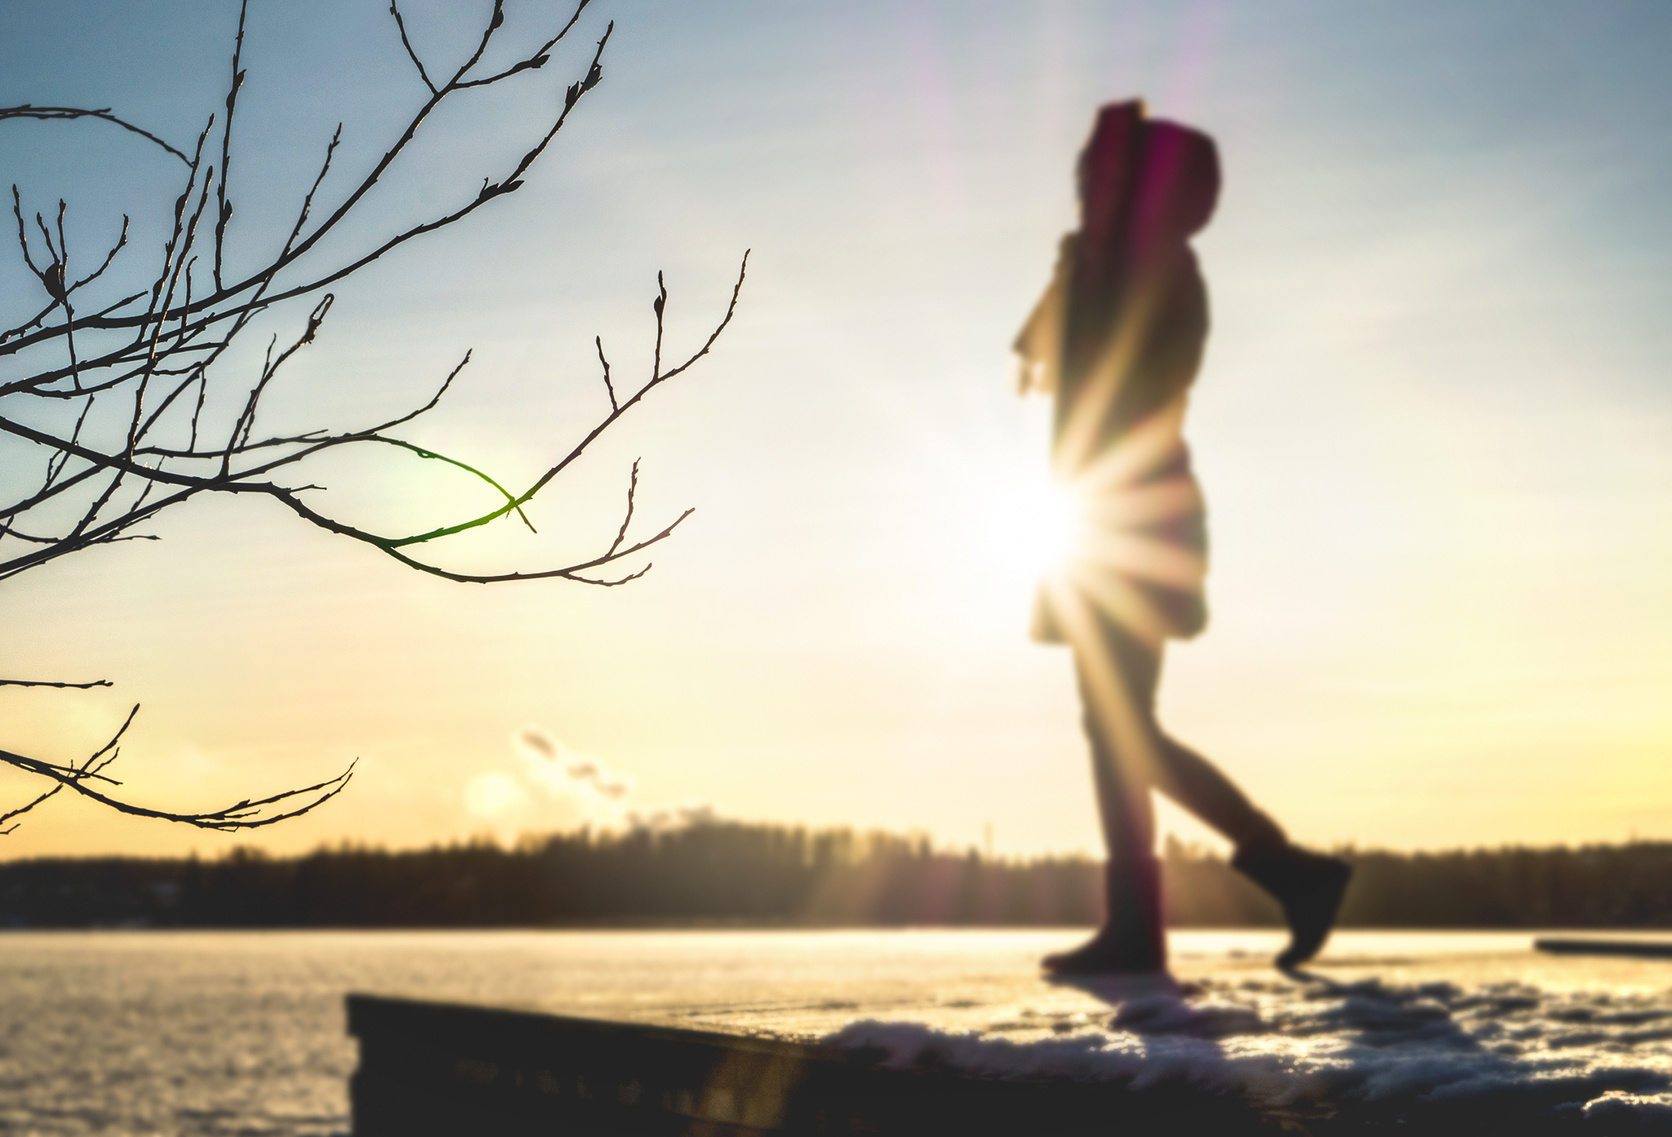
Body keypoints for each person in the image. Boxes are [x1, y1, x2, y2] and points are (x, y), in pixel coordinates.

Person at [1014, 100, 1350, 974]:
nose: (1086, 190)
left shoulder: (1157, 273)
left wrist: (1081, 276)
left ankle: (1274, 874)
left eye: (1103, 179)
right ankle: (1156, 917)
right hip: (1098, 512)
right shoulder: (1110, 268)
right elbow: (1053, 347)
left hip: (1134, 513)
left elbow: (1121, 381)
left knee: (1124, 725)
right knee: (1114, 725)